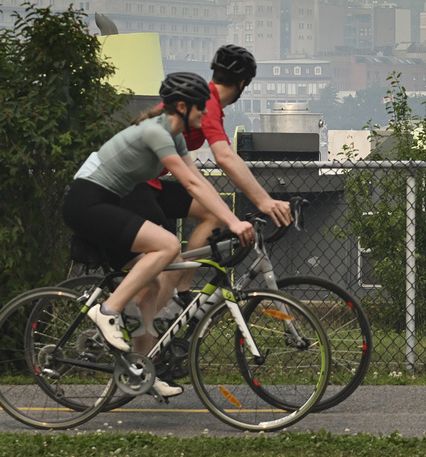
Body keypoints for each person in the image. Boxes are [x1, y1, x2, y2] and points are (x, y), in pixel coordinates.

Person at [62, 71, 254, 399]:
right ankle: (107, 311)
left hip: (107, 202)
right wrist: (233, 223)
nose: (205, 113)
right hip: (87, 201)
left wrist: (228, 217)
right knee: (167, 245)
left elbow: (200, 184)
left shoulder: (175, 138)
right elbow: (192, 185)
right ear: (182, 106)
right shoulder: (155, 133)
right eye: (200, 108)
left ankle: (140, 369)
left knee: (150, 286)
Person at [120, 45, 292, 303]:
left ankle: (182, 292)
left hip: (149, 182)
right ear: (243, 83)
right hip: (134, 184)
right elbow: (225, 157)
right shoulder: (207, 102)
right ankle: (153, 321)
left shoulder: (206, 101)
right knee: (170, 257)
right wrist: (264, 201)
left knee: (212, 213)